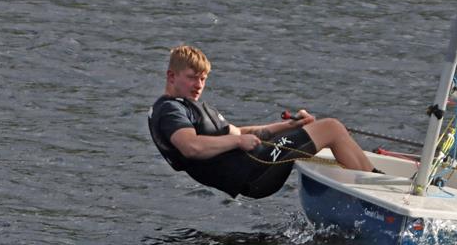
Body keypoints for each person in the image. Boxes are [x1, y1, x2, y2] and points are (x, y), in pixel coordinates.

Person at [148, 44, 375, 199]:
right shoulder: (171, 111)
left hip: (255, 167)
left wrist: (290, 126)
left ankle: (374, 180)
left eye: (203, 79)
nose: (198, 85)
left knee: (329, 129)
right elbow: (191, 147)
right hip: (254, 172)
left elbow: (241, 133)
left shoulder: (190, 107)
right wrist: (238, 143)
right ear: (171, 76)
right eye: (191, 78)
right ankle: (375, 190)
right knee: (331, 128)